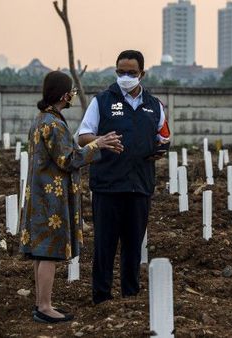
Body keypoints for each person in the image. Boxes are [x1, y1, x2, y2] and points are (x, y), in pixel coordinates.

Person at [19, 71, 123, 323]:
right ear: (64, 95)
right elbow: (68, 159)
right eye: (71, 92)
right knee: (50, 252)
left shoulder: (42, 120)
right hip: (51, 199)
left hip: (40, 195)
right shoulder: (54, 124)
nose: (72, 96)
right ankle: (45, 307)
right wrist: (97, 145)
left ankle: (41, 303)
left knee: (42, 252)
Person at [78, 50, 170, 305]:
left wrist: (160, 149)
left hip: (140, 185)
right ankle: (101, 297)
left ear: (142, 73)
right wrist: (101, 140)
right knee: (104, 246)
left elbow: (164, 137)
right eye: (121, 72)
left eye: (131, 73)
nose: (125, 77)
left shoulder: (154, 106)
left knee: (133, 247)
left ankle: (130, 296)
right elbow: (83, 135)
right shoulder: (103, 101)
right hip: (108, 185)